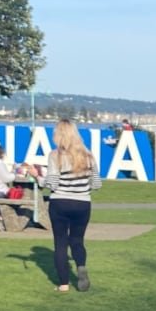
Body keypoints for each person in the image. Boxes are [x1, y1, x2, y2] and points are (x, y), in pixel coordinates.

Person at [46, 119, 103, 292]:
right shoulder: (88, 155)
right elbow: (96, 184)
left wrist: (38, 177)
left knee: (60, 243)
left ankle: (63, 284)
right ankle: (81, 266)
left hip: (60, 202)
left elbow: (53, 184)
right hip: (82, 203)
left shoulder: (55, 155)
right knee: (77, 240)